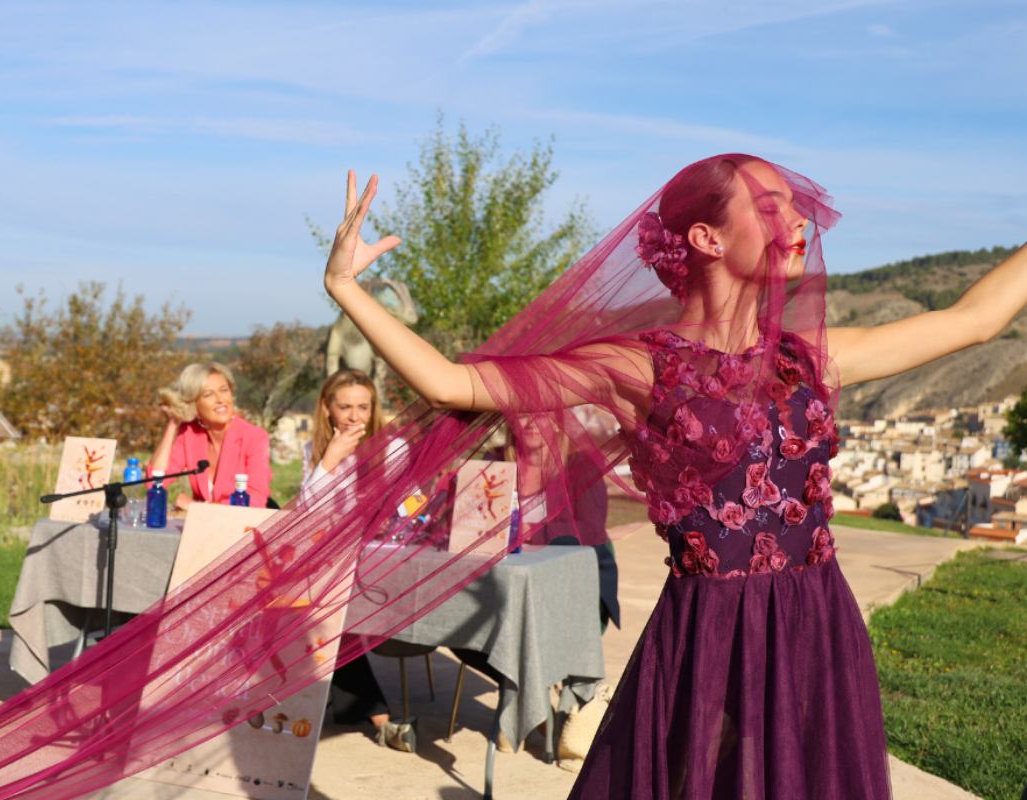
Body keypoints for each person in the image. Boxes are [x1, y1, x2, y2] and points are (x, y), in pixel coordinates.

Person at [322, 161, 1027, 799]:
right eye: (771, 206)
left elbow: (974, 320)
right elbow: (453, 382)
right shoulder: (637, 366)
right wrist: (344, 287)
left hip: (817, 619)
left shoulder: (810, 360)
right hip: (709, 630)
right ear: (706, 239)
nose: (799, 223)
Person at [301, 368, 414, 752]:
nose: (354, 417)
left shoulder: (394, 448)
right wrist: (330, 460)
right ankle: (378, 716)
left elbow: (413, 503)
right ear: (327, 409)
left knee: (327, 611)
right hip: (334, 562)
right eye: (345, 407)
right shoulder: (317, 450)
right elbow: (307, 514)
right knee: (321, 610)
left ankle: (368, 710)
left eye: (363, 408)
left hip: (383, 560)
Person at [148, 361, 272, 509]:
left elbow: (255, 500)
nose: (220, 400)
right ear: (194, 404)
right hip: (203, 526)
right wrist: (173, 423)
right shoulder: (189, 433)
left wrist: (201, 508)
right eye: (208, 394)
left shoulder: (254, 437)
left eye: (224, 390)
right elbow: (155, 480)